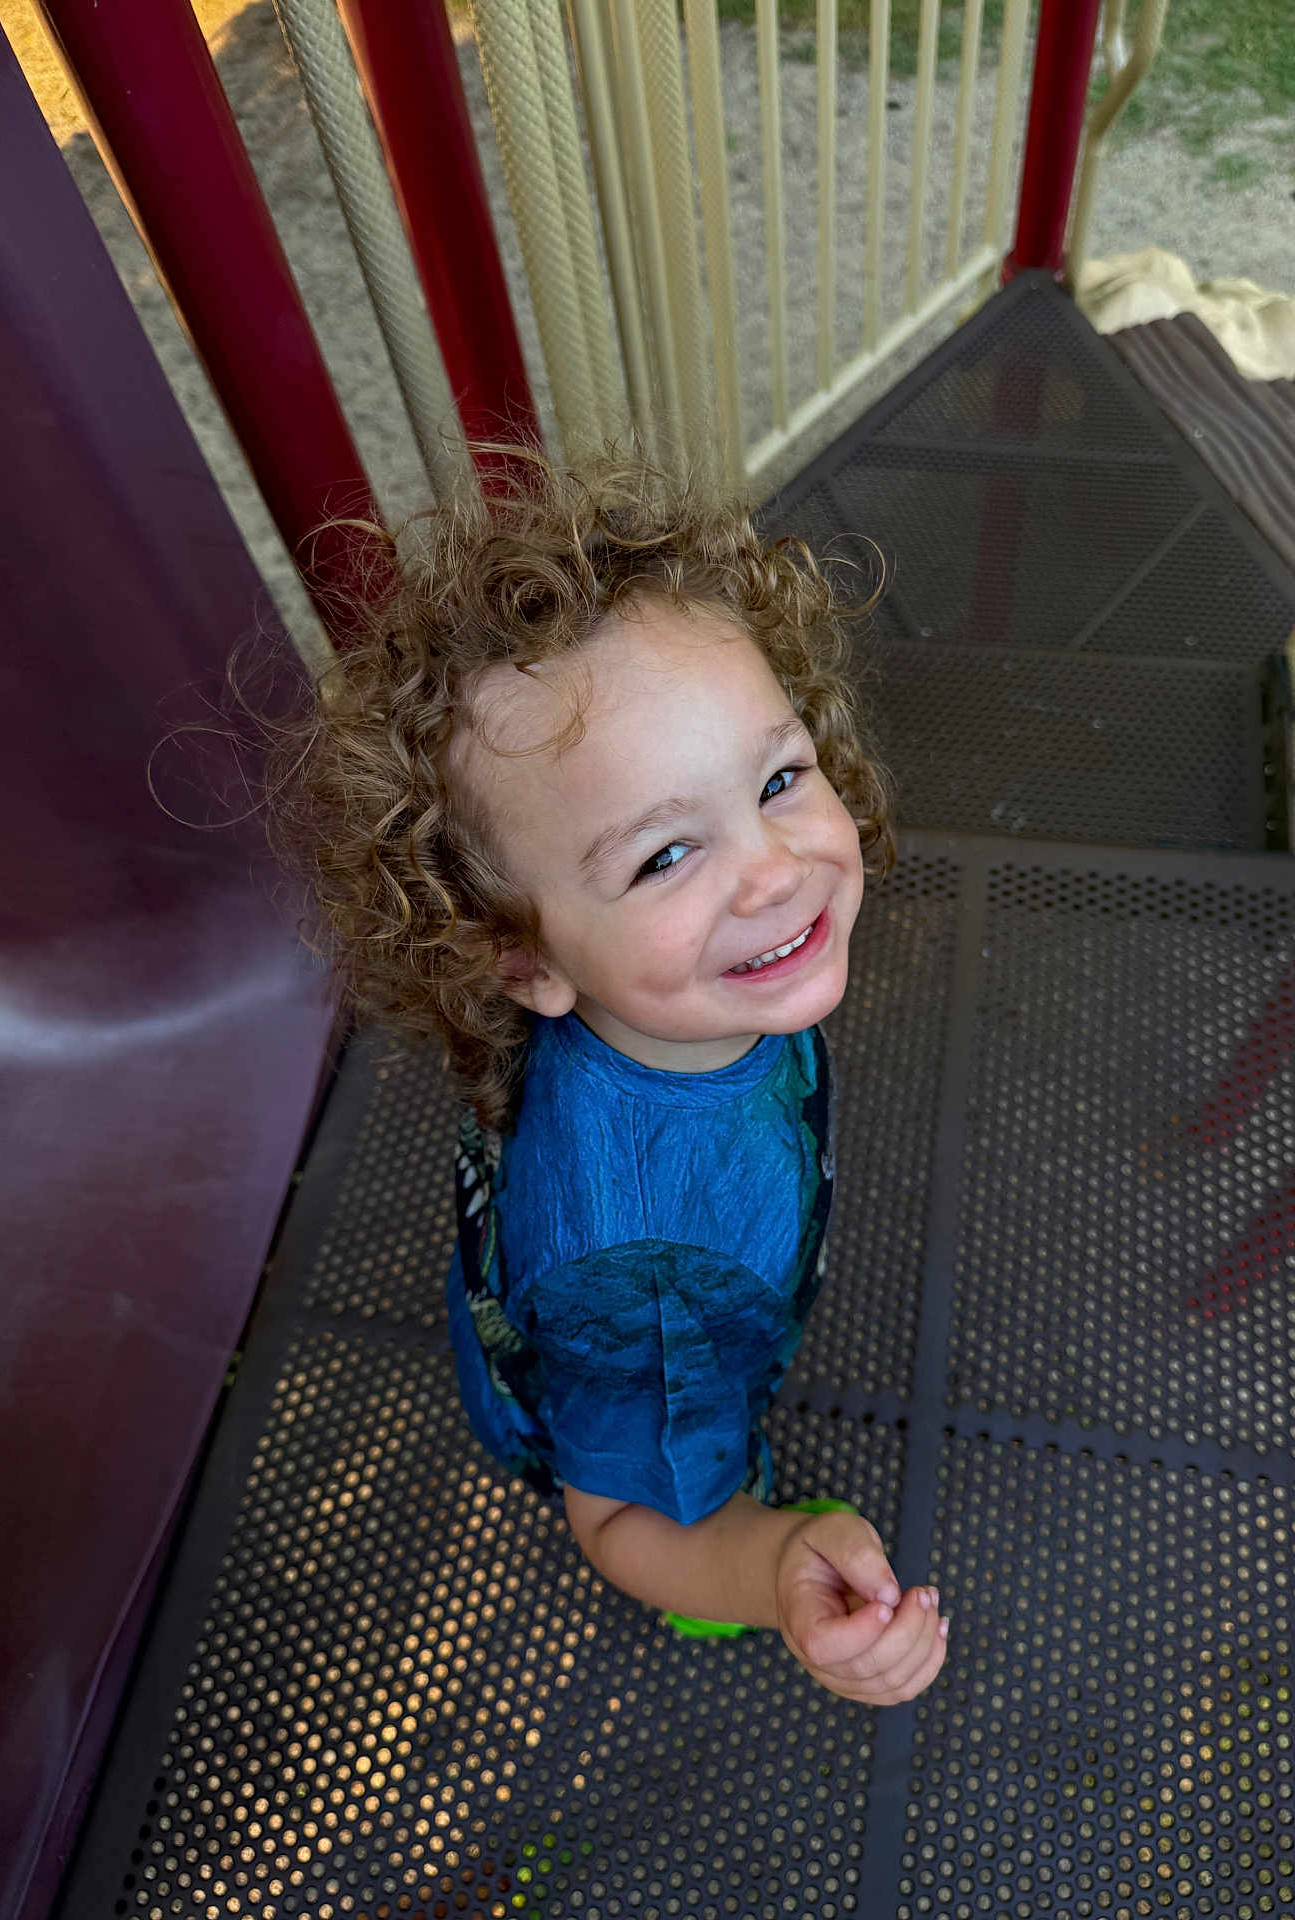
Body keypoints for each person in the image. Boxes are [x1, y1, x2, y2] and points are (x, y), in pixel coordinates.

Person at [271, 443, 946, 1706]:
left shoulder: (686, 993)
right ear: (523, 956)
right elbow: (619, 1525)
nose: (774, 869)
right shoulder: (639, 1276)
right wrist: (774, 1563)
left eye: (779, 778)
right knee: (688, 1506)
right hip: (625, 1394)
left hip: (642, 1291)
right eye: (666, 854)